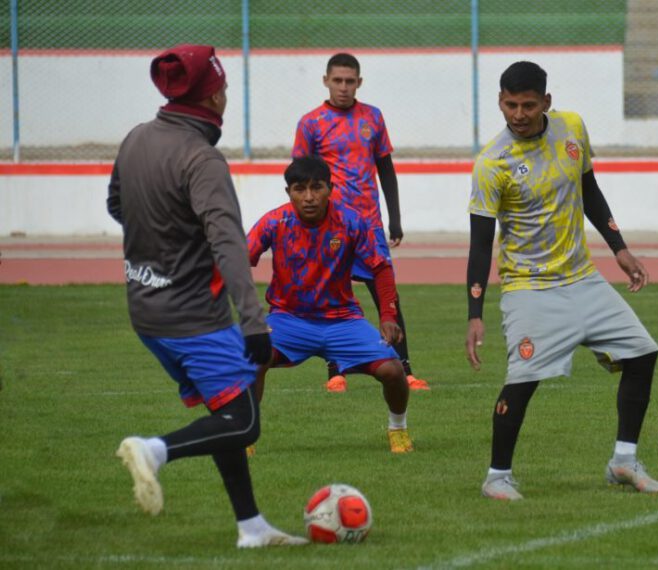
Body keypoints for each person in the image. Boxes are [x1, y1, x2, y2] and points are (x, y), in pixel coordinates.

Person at [106, 44, 306, 548]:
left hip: (145, 313)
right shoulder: (202, 158)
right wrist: (255, 321)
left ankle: (251, 527)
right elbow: (229, 245)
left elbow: (116, 204)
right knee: (243, 422)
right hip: (196, 315)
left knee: (224, 410)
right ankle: (154, 451)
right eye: (223, 87)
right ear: (214, 94)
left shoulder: (135, 139)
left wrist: (160, 243)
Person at [466, 61, 658, 501]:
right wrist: (474, 314)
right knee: (523, 378)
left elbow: (589, 189)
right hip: (528, 287)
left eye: (528, 105)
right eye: (510, 105)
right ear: (500, 101)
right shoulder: (491, 163)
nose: (518, 114)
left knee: (643, 354)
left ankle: (623, 461)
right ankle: (497, 476)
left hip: (582, 277)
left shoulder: (572, 128)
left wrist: (620, 248)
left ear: (546, 103)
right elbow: (481, 245)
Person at [247, 156, 413, 454]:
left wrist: (388, 315)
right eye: (300, 189)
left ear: (330, 189)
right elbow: (237, 261)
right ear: (289, 192)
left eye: (316, 188)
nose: (309, 197)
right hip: (288, 319)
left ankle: (398, 429)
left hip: (343, 320)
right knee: (252, 357)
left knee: (393, 370)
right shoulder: (275, 221)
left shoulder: (351, 221)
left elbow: (381, 267)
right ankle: (245, 437)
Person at [292, 52, 429, 393]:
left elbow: (385, 168)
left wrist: (394, 218)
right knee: (330, 299)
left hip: (368, 225)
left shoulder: (373, 117)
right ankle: (334, 370)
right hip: (329, 227)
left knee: (388, 298)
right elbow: (300, 179)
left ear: (359, 83)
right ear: (326, 81)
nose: (343, 87)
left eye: (349, 81)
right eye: (337, 80)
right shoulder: (311, 123)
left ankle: (406, 368)